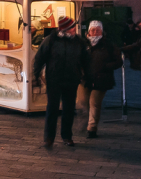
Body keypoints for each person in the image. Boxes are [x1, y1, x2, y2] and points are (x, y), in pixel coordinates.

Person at [33, 15, 90, 148]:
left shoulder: (79, 42)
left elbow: (86, 61)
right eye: (71, 28)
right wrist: (36, 75)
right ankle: (49, 137)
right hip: (54, 79)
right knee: (52, 108)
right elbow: (40, 58)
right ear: (64, 29)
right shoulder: (50, 40)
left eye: (73, 27)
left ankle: (67, 136)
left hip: (72, 79)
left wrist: (87, 76)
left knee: (69, 109)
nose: (73, 30)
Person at [78, 20, 122, 139]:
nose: (95, 32)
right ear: (88, 32)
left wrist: (106, 66)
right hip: (84, 79)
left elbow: (118, 61)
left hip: (102, 79)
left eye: (98, 30)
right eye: (93, 30)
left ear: (102, 31)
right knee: (82, 102)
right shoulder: (83, 44)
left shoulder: (108, 45)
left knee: (94, 103)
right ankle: (84, 122)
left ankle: (92, 128)